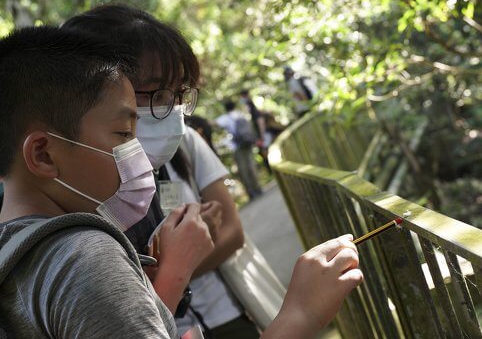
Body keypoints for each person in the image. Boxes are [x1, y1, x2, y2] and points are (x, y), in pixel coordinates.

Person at [0, 26, 363, 339]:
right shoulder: (85, 257)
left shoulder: (15, 253)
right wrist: (301, 314)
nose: (137, 153)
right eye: (124, 133)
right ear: (44, 155)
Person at [63, 5, 252, 337]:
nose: (171, 111)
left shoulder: (176, 151)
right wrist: (180, 262)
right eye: (156, 94)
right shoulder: (67, 205)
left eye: (178, 94)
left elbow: (233, 232)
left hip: (217, 319)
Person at [216, 100, 263, 200]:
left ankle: (251, 192)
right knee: (251, 166)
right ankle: (258, 188)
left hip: (237, 146)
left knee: (243, 169)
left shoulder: (225, 118)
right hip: (248, 143)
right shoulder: (240, 114)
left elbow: (214, 123)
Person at [239, 90, 271, 174]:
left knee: (266, 153)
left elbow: (260, 121)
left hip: (261, 136)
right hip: (258, 136)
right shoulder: (250, 109)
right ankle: (270, 171)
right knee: (264, 154)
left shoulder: (252, 108)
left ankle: (271, 170)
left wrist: (262, 136)